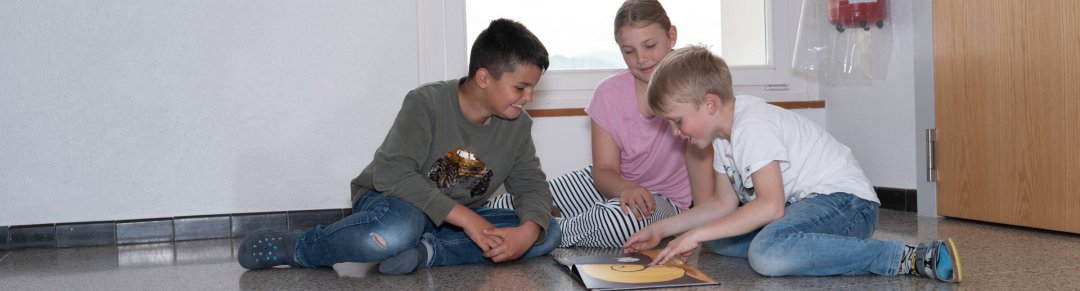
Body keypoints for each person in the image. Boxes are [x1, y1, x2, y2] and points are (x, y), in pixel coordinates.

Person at [236, 18, 560, 275]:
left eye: (533, 88)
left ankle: (424, 252)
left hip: (450, 222)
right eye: (521, 87)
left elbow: (532, 188)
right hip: (391, 202)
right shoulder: (427, 103)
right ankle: (302, 247)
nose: (528, 98)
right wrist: (467, 219)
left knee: (549, 233)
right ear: (485, 77)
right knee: (397, 229)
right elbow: (391, 174)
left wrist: (528, 232)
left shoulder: (518, 126)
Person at [623, 45, 962, 283]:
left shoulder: (750, 126)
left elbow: (770, 206)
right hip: (811, 208)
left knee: (766, 254)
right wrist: (663, 230)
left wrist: (694, 233)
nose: (675, 131)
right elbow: (721, 204)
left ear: (709, 103)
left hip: (847, 205)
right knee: (717, 241)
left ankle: (903, 257)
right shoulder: (722, 139)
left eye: (677, 120)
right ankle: (803, 248)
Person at [484, 0, 713, 249]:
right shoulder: (608, 93)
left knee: (618, 221)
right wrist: (625, 188)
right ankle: (498, 228)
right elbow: (604, 171)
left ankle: (535, 235)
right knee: (517, 202)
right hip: (610, 182)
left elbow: (706, 190)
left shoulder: (694, 90)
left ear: (672, 36)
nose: (642, 58)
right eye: (628, 51)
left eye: (650, 45)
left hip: (664, 200)